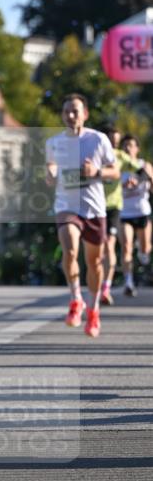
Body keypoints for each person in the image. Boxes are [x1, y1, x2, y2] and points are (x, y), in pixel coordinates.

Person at [45, 94, 119, 338]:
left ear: (85, 114)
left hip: (94, 209)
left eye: (75, 111)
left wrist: (96, 171)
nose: (70, 115)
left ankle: (93, 309)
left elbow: (115, 171)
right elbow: (51, 168)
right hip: (66, 206)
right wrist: (50, 174)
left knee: (94, 262)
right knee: (70, 249)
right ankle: (76, 298)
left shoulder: (98, 139)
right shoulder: (54, 142)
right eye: (66, 111)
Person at [99, 126, 146, 304]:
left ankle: (106, 286)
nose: (114, 146)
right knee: (111, 249)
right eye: (110, 142)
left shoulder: (121, 157)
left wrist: (139, 180)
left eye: (116, 143)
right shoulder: (93, 156)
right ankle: (117, 284)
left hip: (120, 209)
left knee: (113, 246)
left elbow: (143, 172)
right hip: (97, 207)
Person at [119, 134, 153, 296]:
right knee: (126, 246)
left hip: (142, 212)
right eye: (125, 145)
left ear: (137, 149)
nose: (128, 148)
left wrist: (145, 178)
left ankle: (142, 250)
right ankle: (128, 282)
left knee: (145, 249)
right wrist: (123, 185)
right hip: (124, 213)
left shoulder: (144, 165)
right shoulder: (117, 168)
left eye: (131, 145)